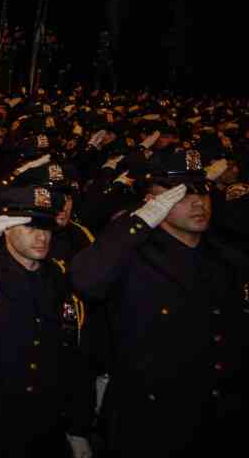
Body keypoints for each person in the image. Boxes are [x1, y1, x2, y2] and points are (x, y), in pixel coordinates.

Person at [71, 150, 249, 457]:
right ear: (154, 201)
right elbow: (86, 280)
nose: (198, 203)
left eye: (203, 193)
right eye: (181, 195)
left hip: (218, 418)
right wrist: (139, 222)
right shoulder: (130, 253)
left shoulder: (225, 257)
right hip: (151, 422)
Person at [0, 186, 95, 458]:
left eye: (45, 228)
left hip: (49, 422)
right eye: (29, 227)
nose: (41, 236)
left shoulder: (57, 277)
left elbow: (73, 354)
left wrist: (78, 427)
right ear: (6, 229)